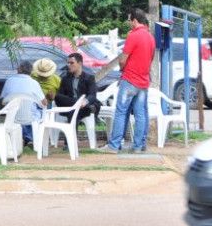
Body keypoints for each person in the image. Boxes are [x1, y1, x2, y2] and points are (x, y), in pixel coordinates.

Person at [98, 8, 156, 154]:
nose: (129, 23)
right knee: (141, 113)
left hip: (130, 79)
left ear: (135, 20)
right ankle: (139, 146)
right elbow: (151, 58)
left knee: (121, 112)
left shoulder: (133, 36)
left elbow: (123, 59)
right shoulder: (150, 37)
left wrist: (123, 71)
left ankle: (114, 145)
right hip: (143, 81)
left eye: (130, 20)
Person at [1, 60, 46, 147]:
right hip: (30, 116)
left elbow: (4, 99)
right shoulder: (34, 83)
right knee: (37, 110)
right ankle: (30, 138)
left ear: (20, 70)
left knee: (23, 114)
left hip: (13, 115)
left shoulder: (9, 81)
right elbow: (44, 102)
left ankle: (26, 138)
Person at [55, 53, 99, 123]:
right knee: (58, 96)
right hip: (70, 106)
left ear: (80, 63)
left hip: (83, 107)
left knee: (73, 113)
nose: (68, 65)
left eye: (72, 63)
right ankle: (78, 103)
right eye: (68, 63)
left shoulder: (89, 78)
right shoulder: (65, 78)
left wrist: (85, 101)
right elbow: (61, 96)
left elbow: (92, 95)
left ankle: (73, 134)